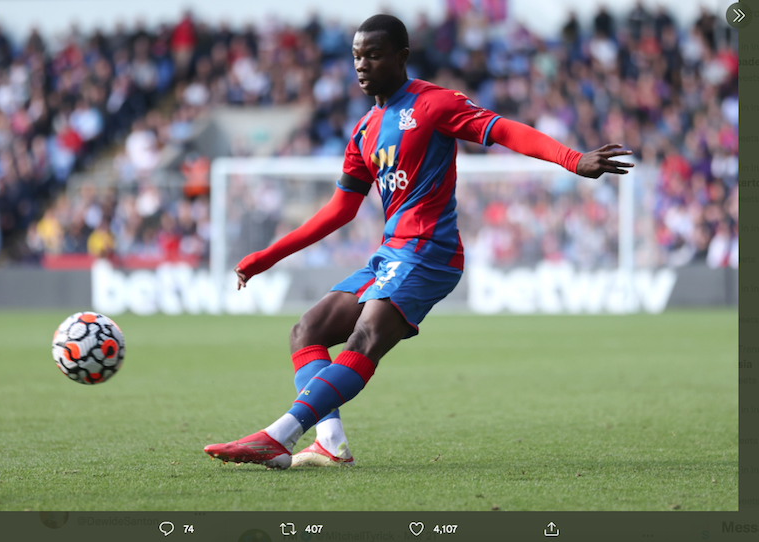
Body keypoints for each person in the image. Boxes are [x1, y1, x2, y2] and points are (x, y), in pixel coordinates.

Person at [204, 14, 632, 469]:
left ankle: (279, 435)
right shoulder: (365, 129)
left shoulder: (434, 104)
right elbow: (340, 209)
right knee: (306, 331)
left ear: (401, 56)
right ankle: (330, 444)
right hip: (391, 254)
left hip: (430, 253)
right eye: (356, 56)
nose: (362, 65)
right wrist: (268, 256)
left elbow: (503, 129)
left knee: (365, 335)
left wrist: (572, 158)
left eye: (373, 54)